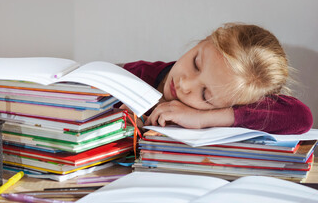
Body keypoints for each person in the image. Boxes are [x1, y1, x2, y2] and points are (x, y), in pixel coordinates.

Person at [122, 23, 313, 134]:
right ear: (204, 41)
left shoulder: (235, 101)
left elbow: (301, 117)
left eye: (205, 95)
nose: (184, 84)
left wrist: (202, 118)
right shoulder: (137, 74)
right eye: (196, 63)